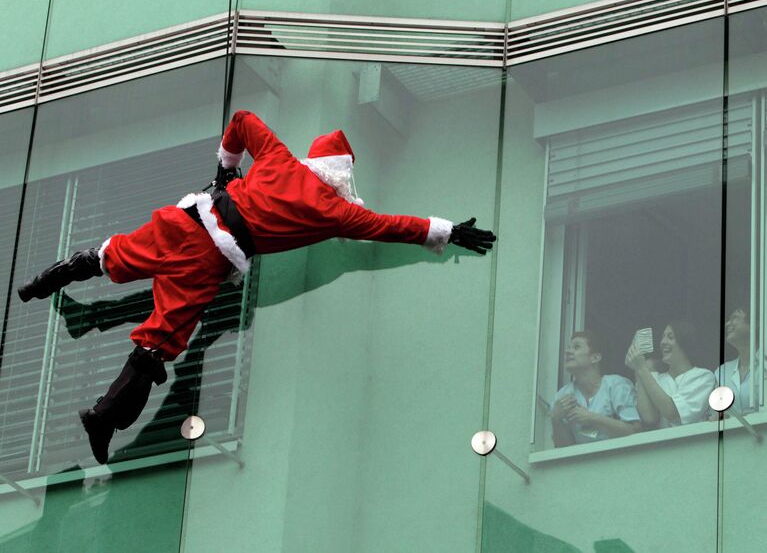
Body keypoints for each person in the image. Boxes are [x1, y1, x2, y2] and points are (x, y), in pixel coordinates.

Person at [17, 110, 496, 464]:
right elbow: (392, 226)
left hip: (188, 222)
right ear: (341, 178)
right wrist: (449, 230)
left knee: (110, 257)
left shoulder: (281, 160)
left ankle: (40, 285)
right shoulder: (336, 212)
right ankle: (103, 418)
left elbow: (242, 118)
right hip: (210, 259)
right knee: (159, 342)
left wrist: (226, 170)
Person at [550, 331, 640, 447]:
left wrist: (592, 418)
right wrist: (555, 419)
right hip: (584, 463)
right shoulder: (562, 396)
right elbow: (564, 449)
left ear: (595, 358)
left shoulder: (616, 386)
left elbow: (634, 431)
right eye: (568, 348)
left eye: (576, 347)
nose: (567, 352)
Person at [625, 321, 715, 428]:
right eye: (662, 337)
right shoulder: (654, 377)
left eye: (670, 337)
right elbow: (649, 418)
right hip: (663, 444)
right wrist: (638, 370)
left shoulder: (703, 377)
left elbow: (673, 413)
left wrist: (641, 368)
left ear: (685, 342)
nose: (663, 342)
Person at [716, 306, 763, 414]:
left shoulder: (764, 363)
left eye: (734, 317)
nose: (727, 324)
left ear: (754, 324)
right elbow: (715, 413)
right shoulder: (722, 372)